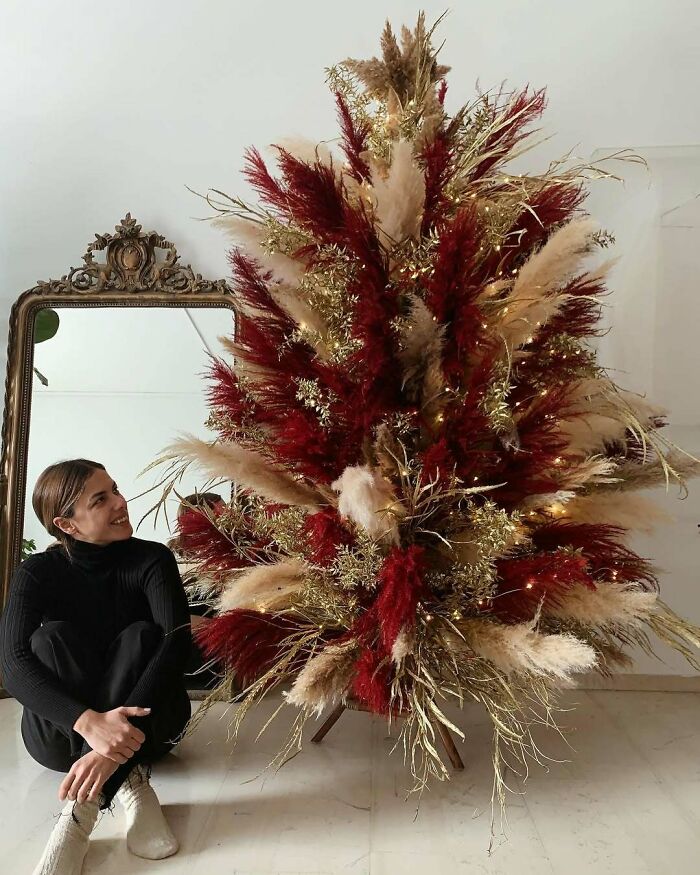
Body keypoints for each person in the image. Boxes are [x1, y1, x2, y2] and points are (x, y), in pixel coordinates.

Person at [0, 459, 192, 875]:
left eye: (115, 490)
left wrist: (107, 748)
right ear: (66, 525)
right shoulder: (37, 572)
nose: (121, 502)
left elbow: (177, 643)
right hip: (60, 740)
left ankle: (80, 812)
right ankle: (130, 779)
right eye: (100, 499)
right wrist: (88, 723)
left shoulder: (152, 559)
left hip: (153, 730)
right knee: (49, 639)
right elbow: (11, 665)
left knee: (144, 635)